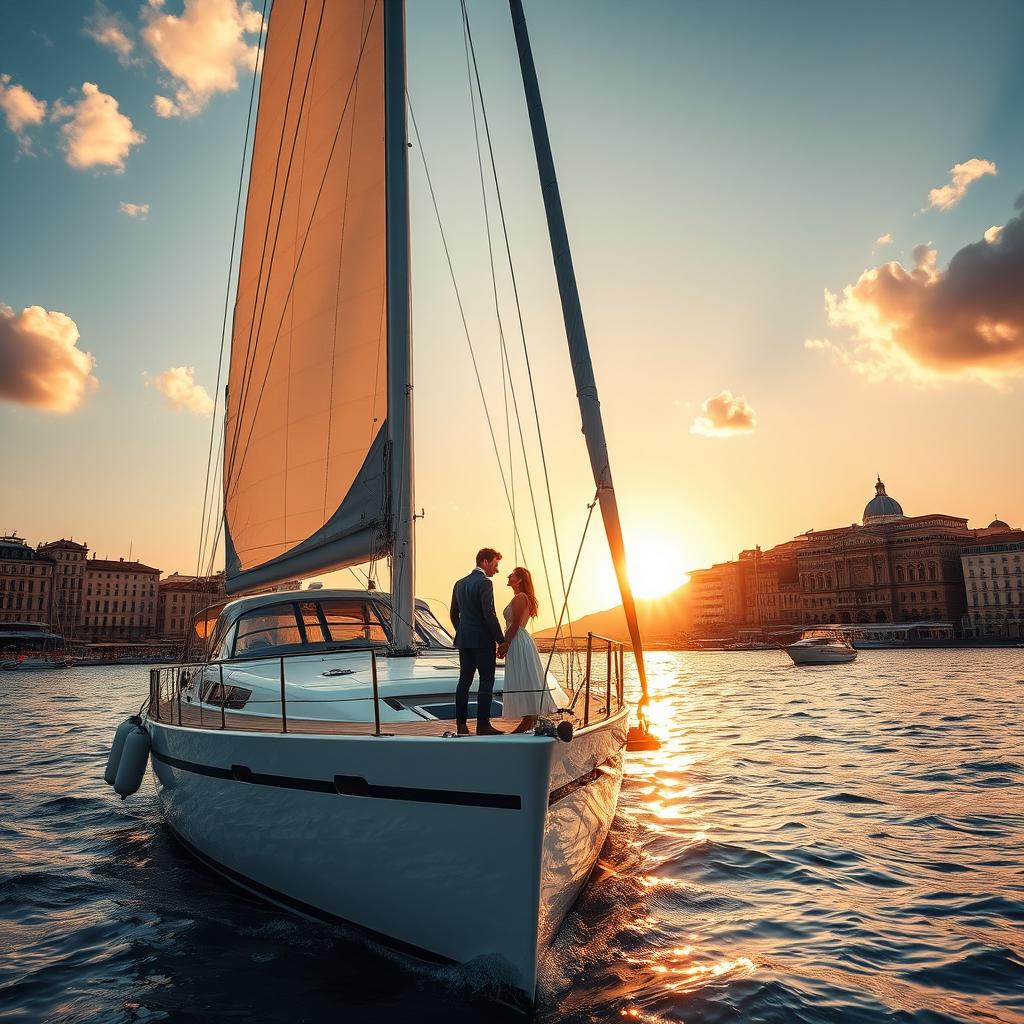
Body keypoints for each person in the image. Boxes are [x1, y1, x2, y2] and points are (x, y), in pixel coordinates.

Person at [498, 566, 562, 734]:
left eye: (512, 574)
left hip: (517, 639)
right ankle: (529, 719)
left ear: (519, 580)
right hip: (518, 639)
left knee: (523, 677)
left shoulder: (520, 597)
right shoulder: (521, 597)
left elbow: (517, 623)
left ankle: (528, 719)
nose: (508, 576)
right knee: (523, 676)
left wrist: (506, 643)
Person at [450, 548, 506, 736]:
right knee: (486, 680)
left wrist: (463, 631)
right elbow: (489, 613)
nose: (496, 570)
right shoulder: (485, 583)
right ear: (485, 561)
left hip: (464, 640)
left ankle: (461, 725)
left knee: (464, 681)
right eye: (495, 565)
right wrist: (501, 641)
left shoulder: (459, 583)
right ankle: (483, 725)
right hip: (482, 641)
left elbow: (453, 614)